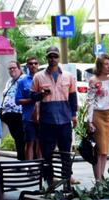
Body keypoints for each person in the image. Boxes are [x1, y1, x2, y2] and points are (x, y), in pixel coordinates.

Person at [32, 47, 78, 189]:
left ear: (59, 58)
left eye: (55, 56)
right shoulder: (38, 77)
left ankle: (67, 180)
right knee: (47, 153)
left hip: (64, 119)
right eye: (50, 56)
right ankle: (49, 180)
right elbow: (32, 96)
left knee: (65, 152)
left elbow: (73, 97)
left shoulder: (68, 76)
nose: (53, 59)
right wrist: (41, 94)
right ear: (47, 58)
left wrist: (74, 115)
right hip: (47, 120)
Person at [86, 53, 109, 182]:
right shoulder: (94, 81)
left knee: (105, 149)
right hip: (97, 115)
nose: (108, 66)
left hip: (108, 115)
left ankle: (101, 177)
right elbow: (90, 101)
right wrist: (89, 121)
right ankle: (98, 179)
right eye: (105, 64)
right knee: (99, 148)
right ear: (100, 66)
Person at [15, 56, 41, 162]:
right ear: (27, 66)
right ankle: (29, 166)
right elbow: (17, 100)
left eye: (35, 63)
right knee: (30, 142)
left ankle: (41, 168)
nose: (33, 65)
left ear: (38, 65)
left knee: (41, 142)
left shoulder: (43, 78)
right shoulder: (22, 81)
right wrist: (32, 99)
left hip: (43, 117)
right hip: (28, 117)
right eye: (30, 63)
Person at [0, 60, 26, 156]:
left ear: (19, 69)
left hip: (18, 113)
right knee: (16, 137)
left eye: (14, 67)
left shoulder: (23, 79)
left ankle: (23, 157)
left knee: (20, 137)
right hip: (9, 114)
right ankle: (21, 156)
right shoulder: (10, 81)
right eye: (10, 68)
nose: (12, 70)